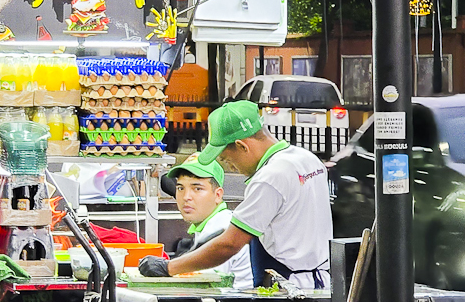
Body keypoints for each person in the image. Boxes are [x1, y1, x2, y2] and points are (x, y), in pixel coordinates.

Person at [139, 100, 333, 288]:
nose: (231, 166)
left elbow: (229, 245)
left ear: (242, 146)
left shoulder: (269, 177)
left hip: (289, 289)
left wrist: (169, 267)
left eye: (227, 159)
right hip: (321, 282)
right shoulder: (307, 159)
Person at [163, 158, 254, 289]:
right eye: (180, 188)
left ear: (218, 195)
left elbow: (200, 285)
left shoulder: (221, 228)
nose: (186, 197)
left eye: (197, 189)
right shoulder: (210, 224)